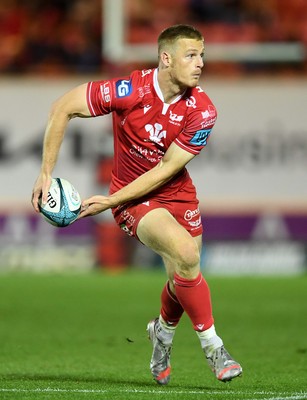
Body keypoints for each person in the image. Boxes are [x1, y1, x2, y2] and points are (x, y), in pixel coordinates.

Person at [31, 24, 242, 385]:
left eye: (201, 55)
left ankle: (161, 332)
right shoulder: (130, 90)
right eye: (191, 55)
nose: (200, 63)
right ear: (166, 58)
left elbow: (168, 168)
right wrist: (46, 173)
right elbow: (62, 107)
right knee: (188, 256)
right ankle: (214, 348)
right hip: (133, 198)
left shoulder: (203, 111)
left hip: (176, 193)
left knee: (183, 274)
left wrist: (109, 200)